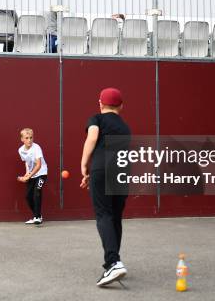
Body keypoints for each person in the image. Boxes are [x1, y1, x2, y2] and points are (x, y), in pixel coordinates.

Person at [80, 87, 131, 286]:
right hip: (122, 172)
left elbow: (92, 138)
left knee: (104, 215)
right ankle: (114, 261)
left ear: (100, 104)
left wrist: (85, 165)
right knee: (115, 217)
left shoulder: (96, 119)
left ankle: (113, 263)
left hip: (102, 168)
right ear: (121, 106)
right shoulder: (125, 127)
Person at [17, 128, 48, 225]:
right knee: (28, 197)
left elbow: (38, 165)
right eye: (26, 138)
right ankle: (36, 215)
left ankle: (38, 217)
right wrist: (27, 173)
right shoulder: (21, 150)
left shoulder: (36, 148)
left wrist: (28, 176)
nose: (29, 140)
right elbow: (27, 161)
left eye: (31, 137)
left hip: (42, 173)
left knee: (37, 192)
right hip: (32, 174)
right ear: (22, 139)